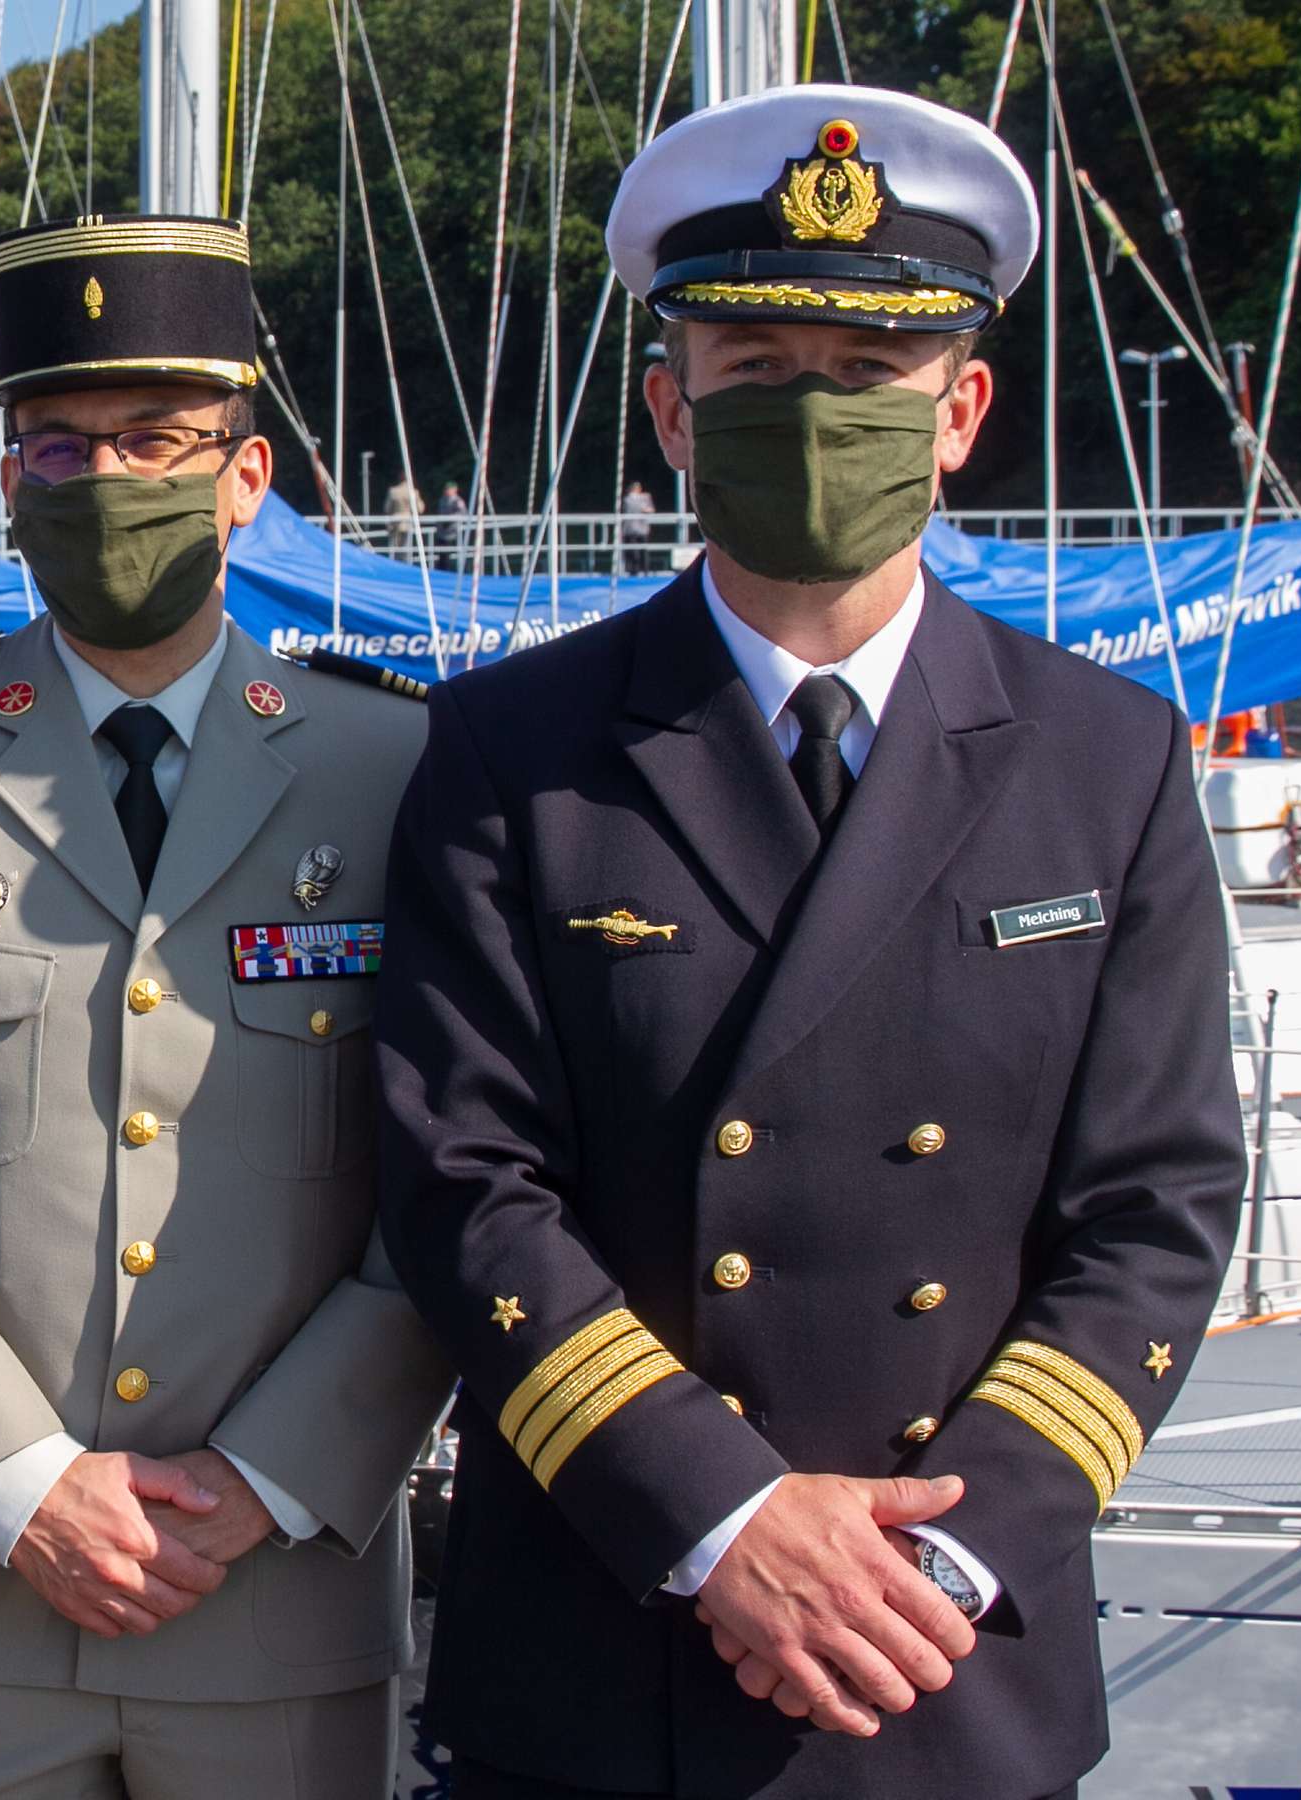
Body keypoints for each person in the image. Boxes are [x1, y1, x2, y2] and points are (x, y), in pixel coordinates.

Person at [373, 85, 1242, 1799]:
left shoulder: (1106, 757)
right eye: (757, 371)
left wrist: (942, 1552)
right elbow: (463, 1182)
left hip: (944, 1653)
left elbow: (1157, 1206)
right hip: (619, 1639)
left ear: (962, 408)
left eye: (865, 376)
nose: (811, 413)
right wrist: (725, 1518)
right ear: (671, 415)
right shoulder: (514, 746)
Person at [0, 212, 455, 1798]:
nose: (105, 481)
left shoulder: (394, 769)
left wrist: (270, 1478)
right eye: (57, 447)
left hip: (276, 1594)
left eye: (155, 440)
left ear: (248, 474)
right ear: (7, 482)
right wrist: (16, 1481)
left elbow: (453, 1172)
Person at [620, 478, 660, 574]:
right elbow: (628, 508)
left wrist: (646, 509)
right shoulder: (627, 499)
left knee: (643, 550)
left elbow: (651, 509)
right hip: (629, 528)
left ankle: (645, 570)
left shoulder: (645, 497)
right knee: (631, 550)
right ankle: (633, 570)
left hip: (642, 528)